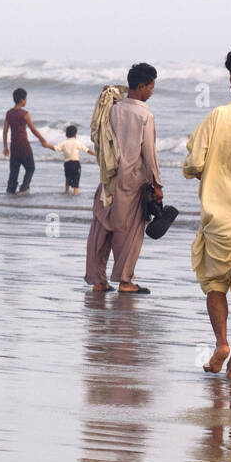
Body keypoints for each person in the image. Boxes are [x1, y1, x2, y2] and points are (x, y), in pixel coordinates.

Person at [184, 47, 231, 379]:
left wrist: (202, 170)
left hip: (219, 223)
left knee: (215, 285)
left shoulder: (218, 116)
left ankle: (221, 344)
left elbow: (195, 163)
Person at [85, 63, 162, 294]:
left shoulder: (111, 108)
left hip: (108, 176)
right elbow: (149, 152)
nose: (151, 91)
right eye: (150, 87)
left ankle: (98, 280)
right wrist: (157, 183)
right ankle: (125, 280)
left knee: (102, 226)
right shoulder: (145, 115)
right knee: (130, 231)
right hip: (133, 179)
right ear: (141, 86)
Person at [2, 88, 54, 195]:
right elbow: (33, 129)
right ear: (22, 100)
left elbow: (5, 131)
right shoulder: (25, 114)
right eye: (26, 99)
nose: (26, 101)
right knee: (30, 167)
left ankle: (10, 190)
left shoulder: (9, 113)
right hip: (24, 145)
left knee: (14, 170)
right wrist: (43, 140)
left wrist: (5, 147)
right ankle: (24, 188)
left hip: (14, 146)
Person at [54, 124, 94, 196]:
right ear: (75, 134)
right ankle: (75, 193)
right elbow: (87, 150)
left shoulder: (64, 143)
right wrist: (95, 154)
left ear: (66, 134)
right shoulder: (77, 142)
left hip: (67, 164)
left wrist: (47, 145)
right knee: (76, 180)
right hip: (76, 164)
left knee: (67, 178)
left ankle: (67, 191)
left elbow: (56, 149)